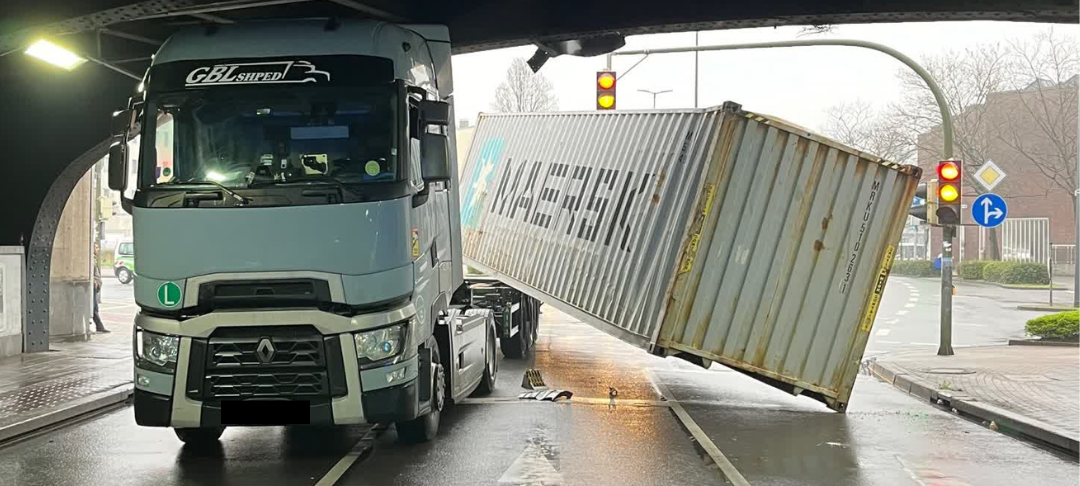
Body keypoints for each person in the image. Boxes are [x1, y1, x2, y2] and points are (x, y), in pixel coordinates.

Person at [92, 243, 110, 333]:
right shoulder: (90, 259)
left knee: (94, 307)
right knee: (93, 307)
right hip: (92, 286)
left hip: (95, 286)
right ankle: (99, 326)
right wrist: (95, 282)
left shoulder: (94, 259)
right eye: (95, 247)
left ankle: (99, 326)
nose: (97, 249)